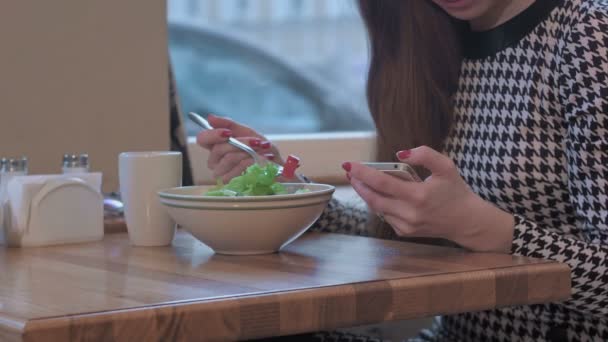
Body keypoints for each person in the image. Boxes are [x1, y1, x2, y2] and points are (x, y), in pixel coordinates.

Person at [195, 0, 608, 340]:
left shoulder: (587, 35)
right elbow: (399, 229)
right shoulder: (440, 36)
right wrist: (288, 189)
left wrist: (482, 228)